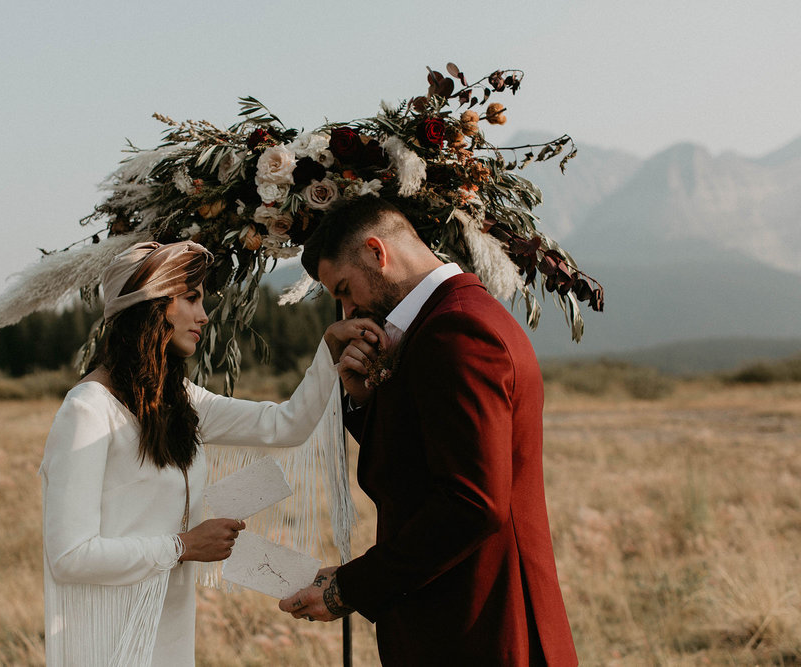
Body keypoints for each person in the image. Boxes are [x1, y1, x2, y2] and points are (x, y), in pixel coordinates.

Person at [40, 240, 385, 666]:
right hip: (105, 637)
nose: (204, 315)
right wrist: (181, 546)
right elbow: (70, 557)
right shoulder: (87, 410)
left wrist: (329, 349)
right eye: (190, 299)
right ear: (150, 306)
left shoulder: (181, 400)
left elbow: (286, 425)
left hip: (169, 630)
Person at [279, 197, 578, 665]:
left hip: (482, 627)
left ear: (377, 252)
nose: (346, 310)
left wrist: (350, 588)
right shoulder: (448, 319)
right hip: (459, 620)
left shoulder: (455, 331)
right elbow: (421, 463)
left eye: (343, 289)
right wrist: (363, 400)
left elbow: (472, 504)